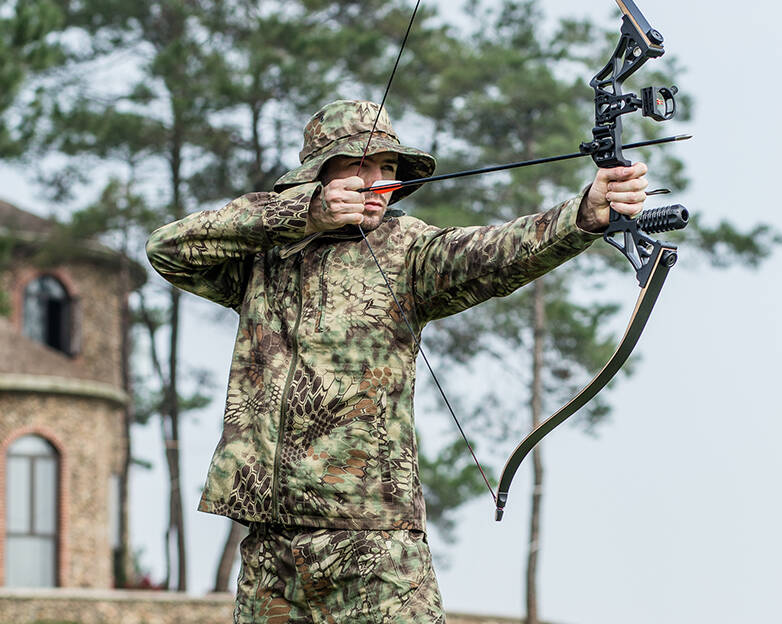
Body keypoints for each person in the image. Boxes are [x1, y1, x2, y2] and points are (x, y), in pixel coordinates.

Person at [146, 99, 648, 623]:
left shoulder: (408, 251)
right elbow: (167, 249)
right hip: (272, 550)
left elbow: (496, 253)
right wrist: (304, 212)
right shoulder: (265, 256)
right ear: (320, 176)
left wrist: (584, 214)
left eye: (387, 168)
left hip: (373, 547)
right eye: (359, 165)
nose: (377, 180)